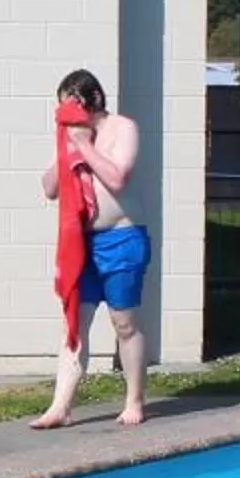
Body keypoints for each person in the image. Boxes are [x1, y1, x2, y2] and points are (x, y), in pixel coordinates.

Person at [30, 68, 151, 429]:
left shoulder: (122, 128)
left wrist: (85, 145)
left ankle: (134, 401)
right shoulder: (72, 137)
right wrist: (68, 150)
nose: (69, 115)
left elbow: (117, 178)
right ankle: (61, 406)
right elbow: (49, 188)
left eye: (73, 106)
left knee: (123, 323)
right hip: (81, 243)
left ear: (93, 99)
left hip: (121, 238)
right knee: (74, 325)